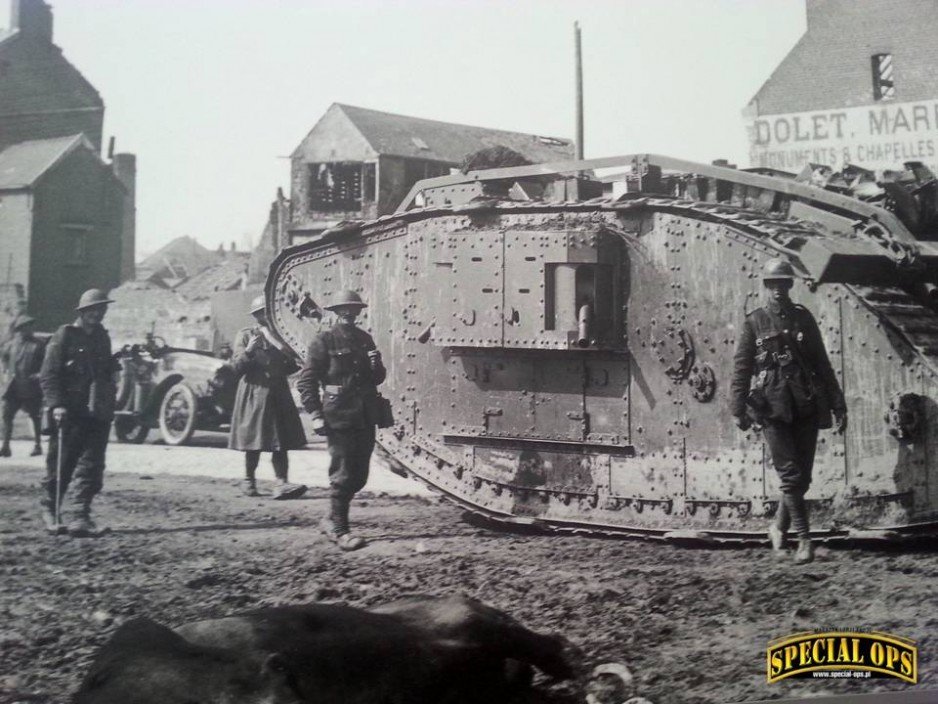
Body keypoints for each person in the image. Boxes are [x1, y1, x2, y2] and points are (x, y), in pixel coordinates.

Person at [731, 259, 847, 564]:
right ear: (766, 287)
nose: (778, 290)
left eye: (783, 283)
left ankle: (778, 529)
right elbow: (742, 369)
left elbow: (822, 364)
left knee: (802, 479)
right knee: (791, 475)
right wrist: (737, 409)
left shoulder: (803, 319)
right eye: (773, 284)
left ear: (789, 286)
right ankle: (804, 541)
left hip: (805, 403)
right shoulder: (754, 322)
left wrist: (838, 403)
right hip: (772, 407)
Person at [297, 290, 386, 551]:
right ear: (336, 312)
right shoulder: (323, 340)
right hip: (339, 413)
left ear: (359, 312)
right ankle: (340, 529)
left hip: (365, 414)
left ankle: (329, 519)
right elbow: (306, 381)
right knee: (343, 473)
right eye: (344, 309)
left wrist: (376, 364)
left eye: (354, 309)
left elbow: (376, 379)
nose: (349, 313)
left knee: (360, 476)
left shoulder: (364, 339)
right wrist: (314, 414)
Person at [39, 289, 119, 537]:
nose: (98, 314)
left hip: (96, 411)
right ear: (83, 312)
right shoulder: (64, 335)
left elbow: (104, 368)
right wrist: (57, 405)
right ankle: (51, 509)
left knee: (92, 465)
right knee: (62, 462)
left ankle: (80, 517)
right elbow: (49, 375)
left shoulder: (102, 338)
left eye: (102, 309)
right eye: (93, 310)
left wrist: (117, 366)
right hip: (70, 411)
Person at [228, 296, 307, 500]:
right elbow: (236, 367)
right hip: (254, 393)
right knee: (254, 441)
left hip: (278, 393)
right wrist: (249, 350)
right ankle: (249, 480)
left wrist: (289, 353)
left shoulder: (281, 335)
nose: (266, 315)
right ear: (256, 316)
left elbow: (291, 366)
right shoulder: (245, 335)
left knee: (280, 441)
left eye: (269, 311)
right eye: (262, 312)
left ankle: (282, 482)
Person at [1, 315, 46, 457]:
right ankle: (6, 446)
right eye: (25, 327)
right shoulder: (9, 345)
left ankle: (37, 445)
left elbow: (46, 364)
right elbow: (4, 360)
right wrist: (5, 373)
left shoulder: (38, 345)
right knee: (7, 416)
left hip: (31, 387)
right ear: (18, 329)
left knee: (35, 417)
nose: (29, 329)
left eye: (30, 326)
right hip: (13, 387)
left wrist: (39, 375)